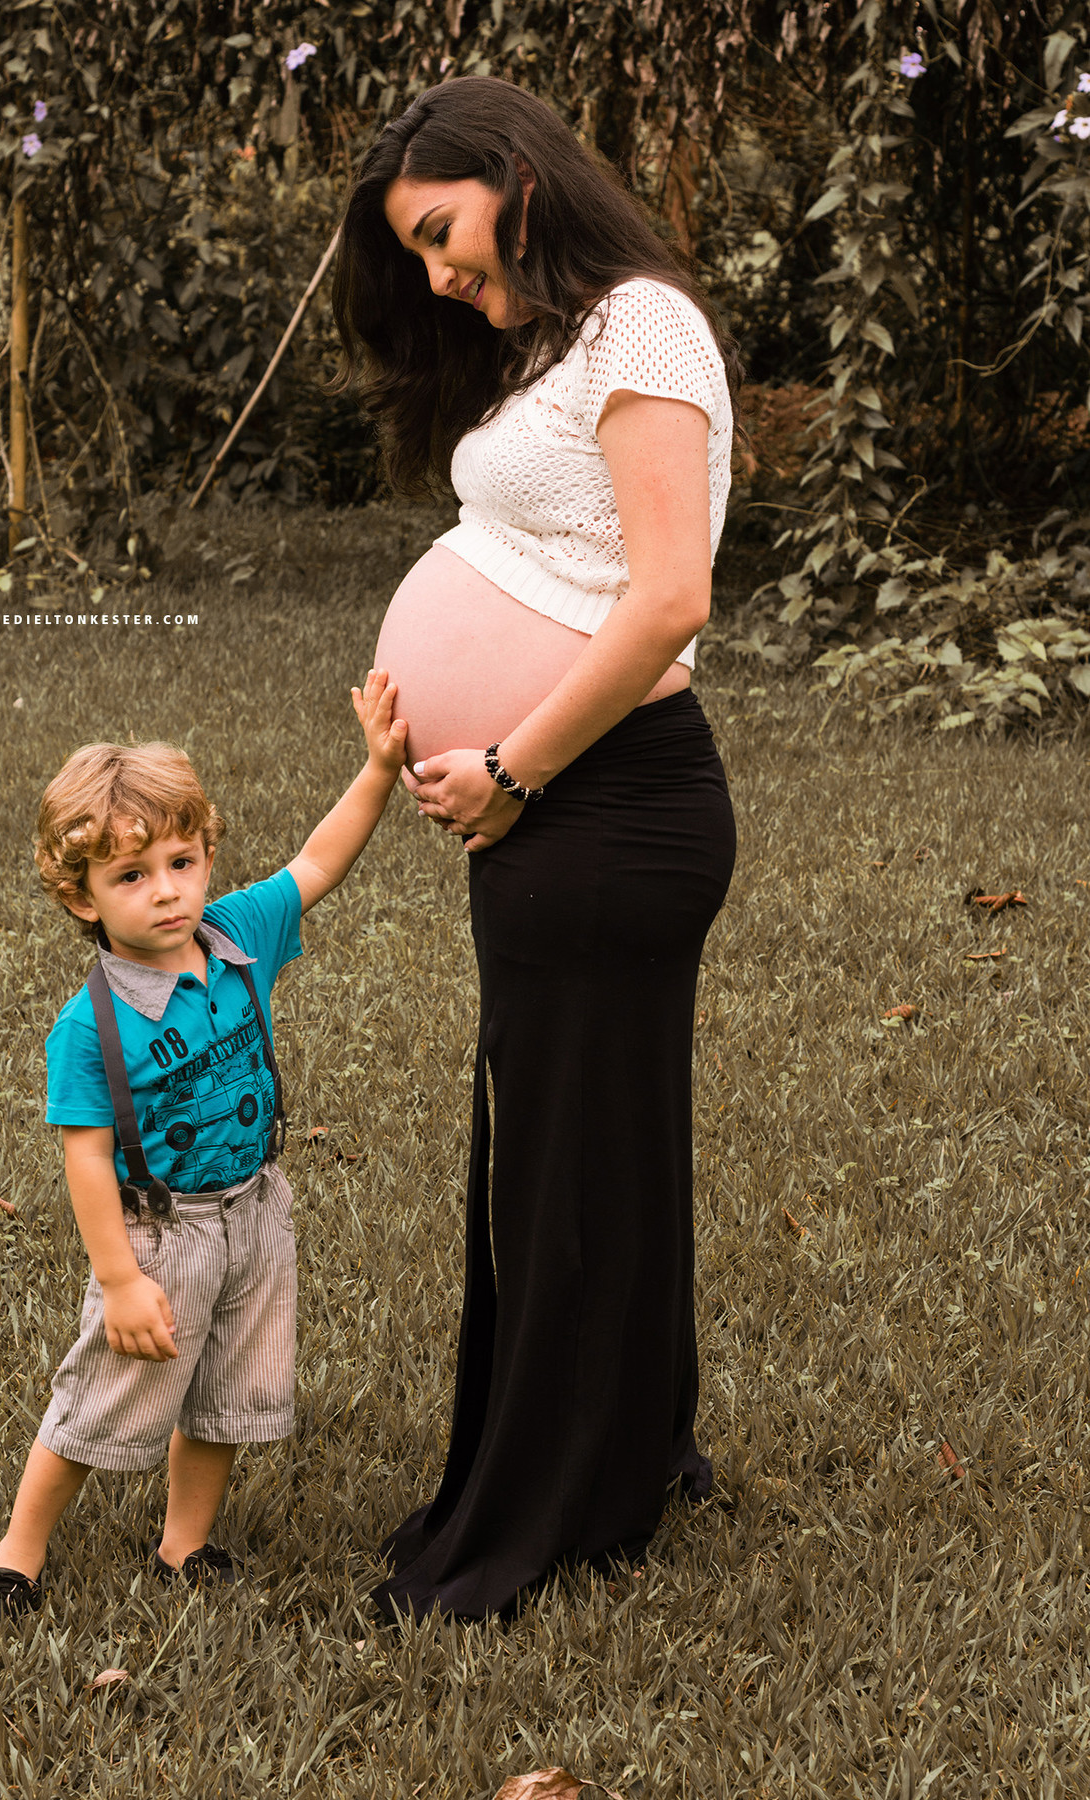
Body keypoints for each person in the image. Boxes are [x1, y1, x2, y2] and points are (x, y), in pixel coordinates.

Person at [333, 76, 740, 1622]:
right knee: (578, 1143)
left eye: (440, 231)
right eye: (417, 253)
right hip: (557, 803)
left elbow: (665, 599)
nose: (437, 273)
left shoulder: (640, 321)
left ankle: (553, 1507)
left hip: (604, 799)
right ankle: (623, 1442)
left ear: (511, 174)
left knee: (572, 1157)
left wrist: (506, 763)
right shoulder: (559, 343)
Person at [0, 674, 407, 1635]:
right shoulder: (91, 1026)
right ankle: (15, 1558)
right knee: (101, 1397)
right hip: (161, 1235)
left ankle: (184, 1544)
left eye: (181, 861)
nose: (165, 891)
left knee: (227, 1396)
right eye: (130, 877)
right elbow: (84, 1159)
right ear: (80, 898)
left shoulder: (235, 934)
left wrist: (376, 769)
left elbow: (319, 862)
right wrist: (119, 1280)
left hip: (255, 1209)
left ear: (206, 858)